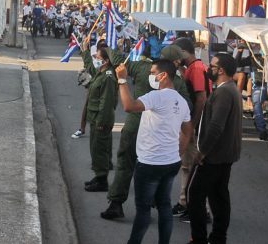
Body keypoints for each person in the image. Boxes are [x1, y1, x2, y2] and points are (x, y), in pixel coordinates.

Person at [101, 47, 193, 220]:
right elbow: (187, 106)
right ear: (173, 63)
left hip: (133, 127)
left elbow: (120, 60)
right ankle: (151, 203)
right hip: (156, 134)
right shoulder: (178, 82)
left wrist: (108, 47)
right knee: (155, 169)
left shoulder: (142, 67)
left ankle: (116, 204)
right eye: (178, 62)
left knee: (124, 164)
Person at [187, 52, 242, 244]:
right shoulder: (227, 89)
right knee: (218, 196)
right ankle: (218, 238)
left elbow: (216, 126)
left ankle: (199, 238)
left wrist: (202, 152)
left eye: (212, 66)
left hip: (214, 156)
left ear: (222, 70)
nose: (209, 69)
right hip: (223, 155)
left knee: (194, 194)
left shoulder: (224, 92)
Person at [173, 38, 210, 218]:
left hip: (195, 125)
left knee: (194, 167)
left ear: (183, 51)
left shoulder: (196, 69)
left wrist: (193, 126)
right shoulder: (191, 68)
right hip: (191, 125)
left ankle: (199, 209)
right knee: (187, 166)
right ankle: (184, 201)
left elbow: (201, 98)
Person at [84, 44, 118, 192]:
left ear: (106, 61)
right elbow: (90, 68)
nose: (95, 60)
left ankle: (102, 180)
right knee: (95, 148)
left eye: (97, 57)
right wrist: (85, 50)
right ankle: (98, 176)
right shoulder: (101, 72)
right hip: (95, 117)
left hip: (100, 119)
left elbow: (106, 102)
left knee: (100, 150)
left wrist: (101, 122)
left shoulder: (108, 77)